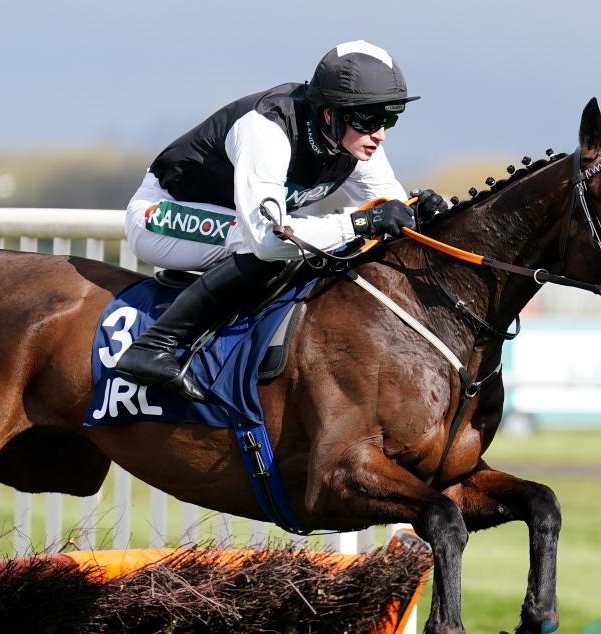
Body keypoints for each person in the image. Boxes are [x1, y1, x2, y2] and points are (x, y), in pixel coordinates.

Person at [116, 40, 448, 401]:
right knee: (272, 246)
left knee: (318, 243)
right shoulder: (266, 130)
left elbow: (391, 212)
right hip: (161, 215)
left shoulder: (354, 142)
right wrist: (358, 222)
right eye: (369, 120)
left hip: (236, 219)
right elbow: (268, 241)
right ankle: (153, 346)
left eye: (388, 120)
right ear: (329, 114)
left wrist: (421, 212)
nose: (379, 135)